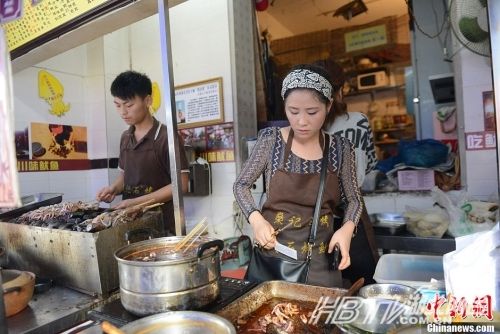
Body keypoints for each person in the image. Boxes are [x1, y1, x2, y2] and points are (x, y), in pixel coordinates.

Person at [233, 64, 363, 287]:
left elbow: (354, 199)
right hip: (274, 259)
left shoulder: (341, 149)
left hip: (322, 262)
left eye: (312, 112)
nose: (302, 121)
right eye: (293, 111)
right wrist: (257, 220)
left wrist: (347, 229)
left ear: (329, 105)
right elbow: (241, 185)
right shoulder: (270, 140)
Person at [96, 70, 189, 235]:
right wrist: (113, 188)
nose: (122, 112)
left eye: (129, 105)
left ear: (148, 100)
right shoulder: (125, 137)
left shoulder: (166, 137)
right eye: (118, 105)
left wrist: (138, 203)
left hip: (162, 227)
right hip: (130, 224)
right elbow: (126, 176)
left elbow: (181, 185)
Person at [318, 59, 380, 285]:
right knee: (362, 282)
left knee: (325, 286)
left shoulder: (306, 129)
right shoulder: (358, 121)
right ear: (341, 90)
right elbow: (371, 163)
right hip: (352, 214)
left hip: (316, 216)